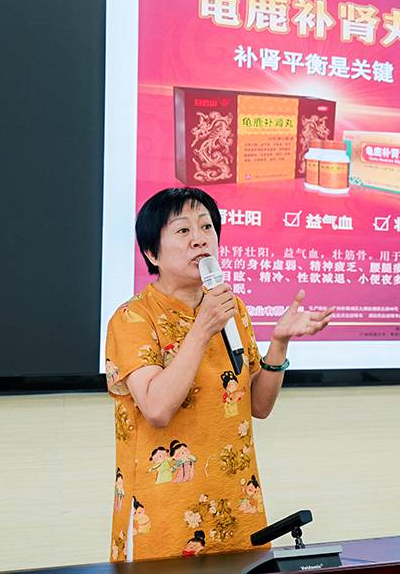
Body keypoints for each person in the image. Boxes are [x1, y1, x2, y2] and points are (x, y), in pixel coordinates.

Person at [105, 187, 333, 561]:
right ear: (151, 252)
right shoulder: (133, 318)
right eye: (183, 230)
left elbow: (258, 406)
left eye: (207, 227)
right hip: (163, 515)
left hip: (237, 505)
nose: (199, 239)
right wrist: (202, 328)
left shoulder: (232, 309)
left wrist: (279, 343)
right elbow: (157, 409)